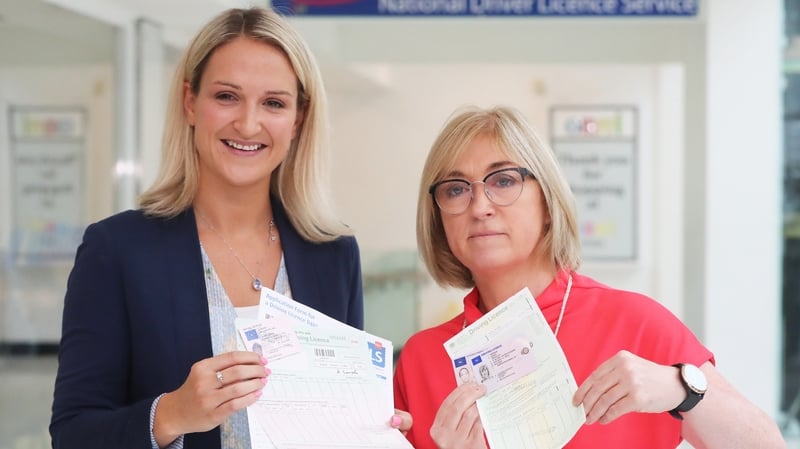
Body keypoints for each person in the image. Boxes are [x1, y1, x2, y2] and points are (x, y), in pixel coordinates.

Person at [49, 7, 397, 449]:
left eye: (273, 103)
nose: (248, 124)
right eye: (227, 96)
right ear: (190, 102)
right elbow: (73, 434)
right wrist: (171, 414)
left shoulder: (332, 253)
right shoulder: (117, 250)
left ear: (299, 119)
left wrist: (369, 430)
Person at [393, 105, 786, 449]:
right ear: (439, 216)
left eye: (504, 181)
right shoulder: (421, 361)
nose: (479, 206)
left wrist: (680, 389)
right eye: (456, 189)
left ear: (548, 203)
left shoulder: (635, 325)